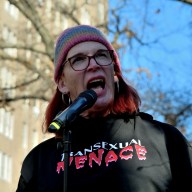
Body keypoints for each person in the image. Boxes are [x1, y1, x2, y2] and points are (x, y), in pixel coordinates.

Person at [16, 25, 192, 192]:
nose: (93, 64)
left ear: (114, 73)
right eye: (78, 59)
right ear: (62, 83)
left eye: (101, 55)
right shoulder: (40, 161)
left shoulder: (164, 140)